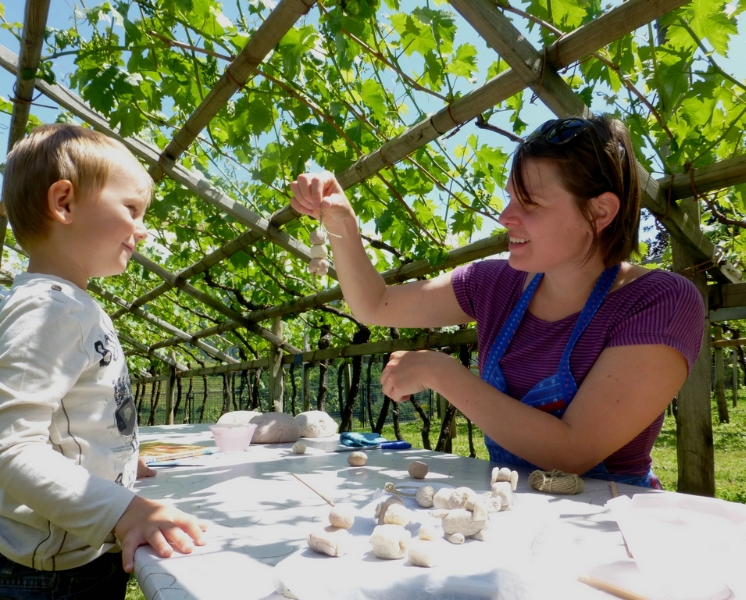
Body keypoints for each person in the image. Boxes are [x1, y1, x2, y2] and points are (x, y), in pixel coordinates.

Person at [290, 115, 705, 489]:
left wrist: (440, 372)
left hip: (608, 525)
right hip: (509, 509)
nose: (505, 217)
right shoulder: (494, 284)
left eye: (530, 203)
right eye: (510, 197)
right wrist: (343, 222)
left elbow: (572, 452)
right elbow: (375, 305)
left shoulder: (659, 301)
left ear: (600, 212)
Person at [0, 125, 206, 600]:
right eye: (131, 209)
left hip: (71, 559)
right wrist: (124, 510)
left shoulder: (72, 304)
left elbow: (73, 419)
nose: (143, 228)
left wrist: (117, 464)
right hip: (41, 576)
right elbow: (11, 447)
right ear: (65, 203)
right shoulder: (47, 308)